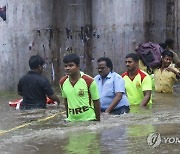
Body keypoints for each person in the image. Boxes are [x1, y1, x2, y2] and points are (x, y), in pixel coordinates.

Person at [59, 53, 100, 122]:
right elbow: (66, 101)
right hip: (72, 120)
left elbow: (96, 102)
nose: (68, 68)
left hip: (89, 119)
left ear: (78, 66)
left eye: (71, 65)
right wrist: (68, 117)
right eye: (65, 66)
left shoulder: (89, 81)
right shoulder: (62, 82)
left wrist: (97, 120)